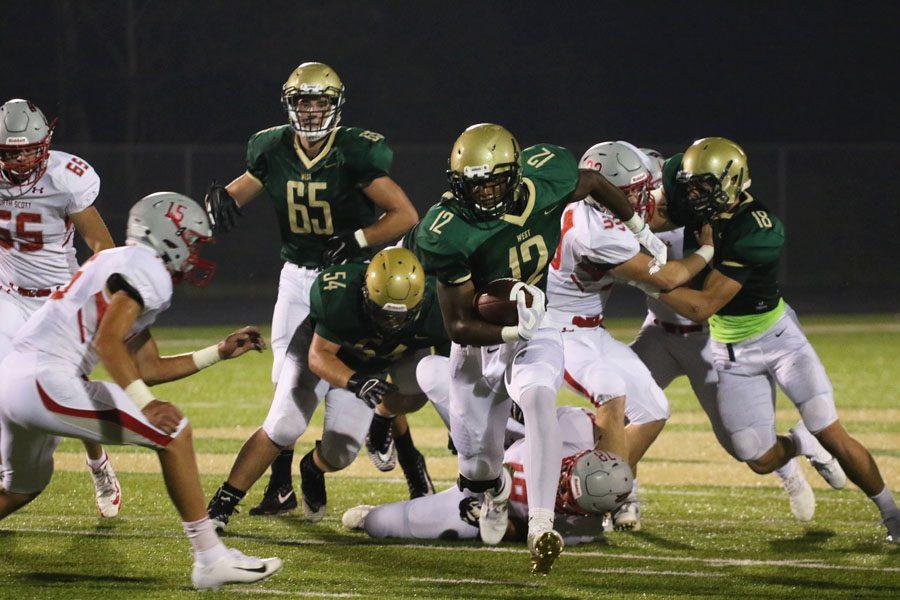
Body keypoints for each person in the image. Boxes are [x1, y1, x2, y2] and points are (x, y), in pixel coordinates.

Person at [408, 123, 666, 574]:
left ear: (514, 173)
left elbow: (594, 182)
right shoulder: (445, 230)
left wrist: (640, 228)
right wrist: (511, 331)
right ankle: (491, 488)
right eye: (474, 184)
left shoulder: (547, 176)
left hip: (538, 320)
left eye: (492, 181)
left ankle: (542, 524)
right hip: (482, 339)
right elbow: (459, 324)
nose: (484, 193)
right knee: (479, 463)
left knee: (541, 399)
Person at [0, 192, 283, 588]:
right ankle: (209, 557)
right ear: (168, 237)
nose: (195, 253)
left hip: (16, 378)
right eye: (191, 242)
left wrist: (216, 352)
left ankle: (210, 557)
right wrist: (145, 405)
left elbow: (147, 367)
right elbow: (107, 343)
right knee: (174, 430)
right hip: (44, 378)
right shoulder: (146, 267)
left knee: (23, 488)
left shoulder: (117, 262)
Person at [204, 62, 419, 516]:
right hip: (299, 275)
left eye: (321, 102)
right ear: (290, 104)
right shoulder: (273, 146)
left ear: (336, 106)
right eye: (304, 101)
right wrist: (218, 200)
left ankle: (333, 456)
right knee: (287, 383)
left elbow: (404, 215)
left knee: (342, 437)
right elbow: (238, 193)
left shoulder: (356, 152)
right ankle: (277, 488)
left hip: (355, 283)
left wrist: (358, 239)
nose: (312, 110)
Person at [657, 137, 897, 543]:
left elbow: (701, 307)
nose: (693, 195)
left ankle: (890, 511)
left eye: (703, 187)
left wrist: (645, 278)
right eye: (691, 186)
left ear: (730, 183)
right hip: (730, 353)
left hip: (779, 339)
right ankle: (800, 441)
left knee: (829, 428)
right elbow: (655, 213)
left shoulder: (757, 228)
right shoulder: (700, 202)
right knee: (759, 458)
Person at [629, 146, 822, 522]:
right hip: (656, 334)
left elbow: (697, 293)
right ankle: (625, 495)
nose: (643, 199)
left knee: (743, 446)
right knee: (616, 409)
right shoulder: (626, 221)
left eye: (645, 188)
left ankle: (793, 455)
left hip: (705, 338)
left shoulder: (706, 219)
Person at [207, 248, 445, 530]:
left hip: (369, 370)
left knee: (341, 454)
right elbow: (319, 356)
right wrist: (356, 381)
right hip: (320, 355)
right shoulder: (340, 291)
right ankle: (223, 503)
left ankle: (313, 467)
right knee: (284, 425)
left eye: (401, 316)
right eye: (384, 313)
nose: (392, 323)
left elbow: (446, 372)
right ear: (367, 293)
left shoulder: (436, 303)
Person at [546, 140, 716, 531]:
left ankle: (603, 490)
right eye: (637, 190)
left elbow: (653, 222)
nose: (646, 196)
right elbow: (671, 276)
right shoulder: (597, 232)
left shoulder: (595, 213)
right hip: (557, 331)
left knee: (654, 409)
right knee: (610, 393)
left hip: (591, 329)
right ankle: (582, 497)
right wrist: (707, 249)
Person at [0, 98, 122, 517]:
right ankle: (6, 467)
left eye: (28, 149)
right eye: (10, 152)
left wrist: (91, 290)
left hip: (57, 296)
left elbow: (103, 246)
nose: (20, 160)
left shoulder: (65, 178)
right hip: (8, 294)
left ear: (45, 143)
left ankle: (98, 463)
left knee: (72, 386)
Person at [343, 398, 625, 549]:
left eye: (566, 494)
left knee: (378, 524)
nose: (558, 484)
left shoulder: (584, 528)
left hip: (486, 501)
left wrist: (486, 518)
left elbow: (520, 532)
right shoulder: (578, 429)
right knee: (433, 371)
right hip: (501, 448)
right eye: (565, 473)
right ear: (582, 455)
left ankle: (382, 512)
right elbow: (535, 420)